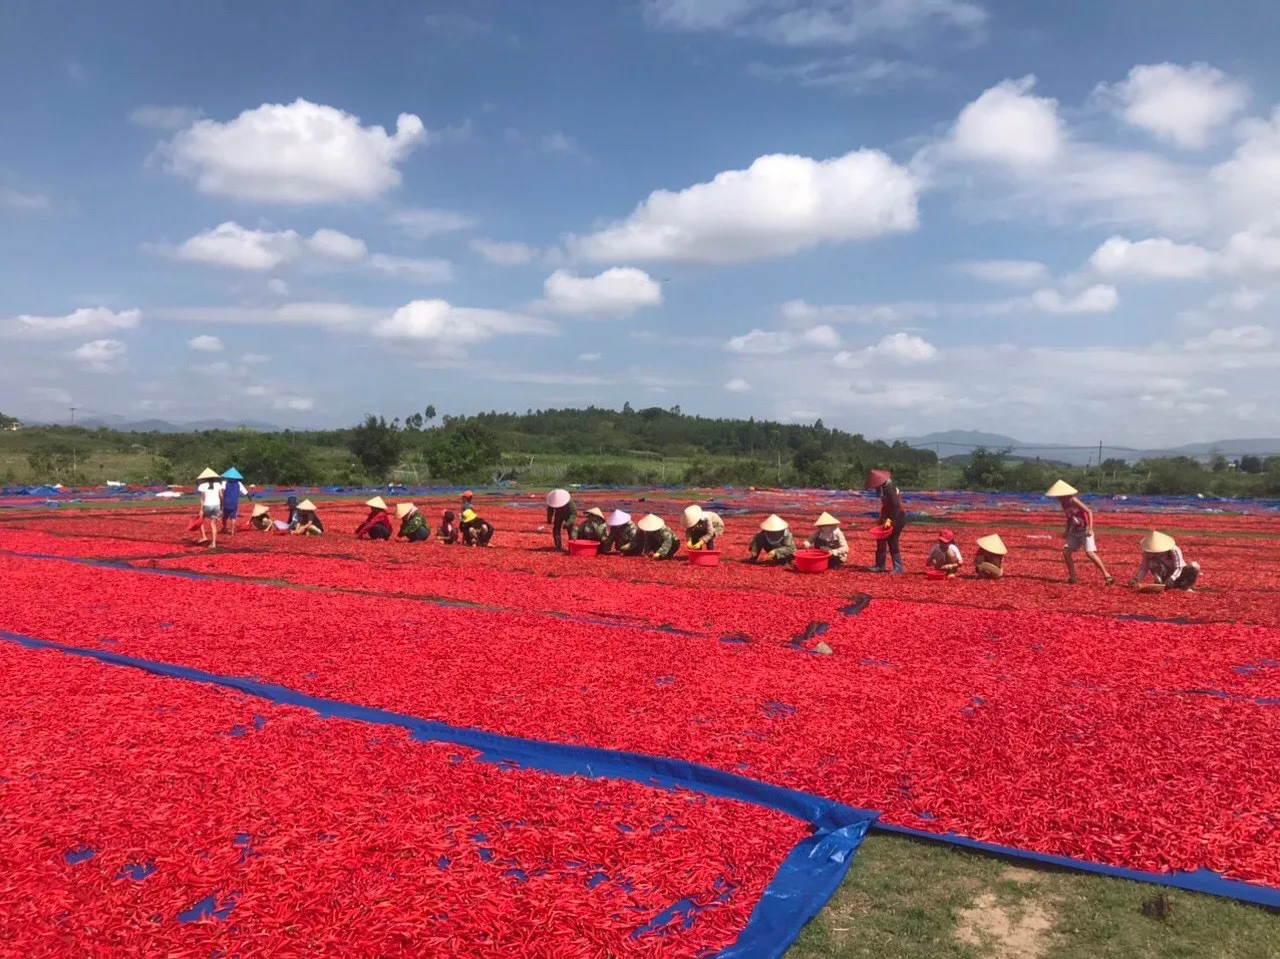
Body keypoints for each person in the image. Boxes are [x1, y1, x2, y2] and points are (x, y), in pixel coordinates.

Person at [1047, 480, 1114, 586]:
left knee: (1090, 553)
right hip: (1074, 531)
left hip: (1084, 530)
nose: (1057, 497)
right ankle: (1073, 577)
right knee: (1066, 552)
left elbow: (1089, 512)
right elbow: (1069, 518)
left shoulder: (1073, 500)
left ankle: (1107, 575)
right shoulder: (1063, 503)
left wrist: (1090, 528)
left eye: (1058, 495)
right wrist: (1067, 530)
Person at [1130, 531, 1200, 591]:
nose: (1149, 553)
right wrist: (1136, 580)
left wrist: (1172, 578)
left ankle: (1186, 587)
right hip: (1165, 577)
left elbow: (1178, 568)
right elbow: (1144, 568)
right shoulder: (1148, 553)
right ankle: (1160, 583)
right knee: (1152, 563)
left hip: (1180, 575)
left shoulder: (1173, 550)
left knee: (1194, 566)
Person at [866, 470, 906, 574]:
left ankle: (898, 568)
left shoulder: (889, 489)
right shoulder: (883, 489)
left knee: (892, 541)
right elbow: (886, 506)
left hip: (897, 518)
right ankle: (880, 565)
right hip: (888, 516)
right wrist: (881, 518)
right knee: (881, 540)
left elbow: (896, 506)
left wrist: (890, 519)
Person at [195, 468, 223, 548]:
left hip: (207, 505)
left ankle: (204, 537)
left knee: (200, 520)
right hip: (216, 505)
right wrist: (221, 508)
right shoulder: (218, 484)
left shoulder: (202, 485)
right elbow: (221, 496)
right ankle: (214, 543)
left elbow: (202, 498)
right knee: (213, 524)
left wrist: (201, 509)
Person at [220, 467, 248, 536]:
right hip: (234, 503)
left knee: (224, 516)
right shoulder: (239, 483)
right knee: (233, 517)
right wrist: (249, 497)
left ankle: (225, 527)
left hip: (226, 502)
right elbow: (245, 492)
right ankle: (232, 531)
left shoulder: (224, 482)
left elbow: (222, 490)